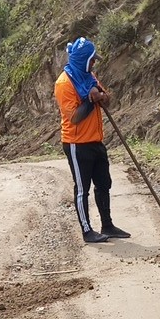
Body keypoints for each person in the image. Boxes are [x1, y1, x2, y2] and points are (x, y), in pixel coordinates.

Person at [55, 36, 130, 243]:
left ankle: (108, 225)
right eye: (92, 59)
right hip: (76, 144)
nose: (95, 62)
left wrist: (101, 96)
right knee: (82, 189)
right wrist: (91, 100)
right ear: (83, 60)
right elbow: (74, 117)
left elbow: (107, 99)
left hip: (96, 140)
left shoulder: (90, 77)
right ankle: (87, 231)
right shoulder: (64, 84)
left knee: (104, 183)